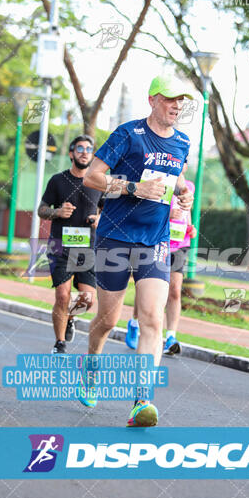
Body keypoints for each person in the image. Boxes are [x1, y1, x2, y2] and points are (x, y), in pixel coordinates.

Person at [81, 75, 194, 427]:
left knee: (152, 318)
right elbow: (92, 177)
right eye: (170, 99)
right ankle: (92, 364)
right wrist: (133, 187)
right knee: (108, 320)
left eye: (181, 101)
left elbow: (177, 180)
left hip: (156, 240)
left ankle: (141, 401)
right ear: (153, 100)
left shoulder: (183, 142)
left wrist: (182, 194)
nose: (177, 106)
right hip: (115, 237)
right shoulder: (128, 135)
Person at [38, 135, 103, 355]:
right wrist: (57, 212)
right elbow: (41, 209)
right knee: (63, 296)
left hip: (88, 249)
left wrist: (99, 218)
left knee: (87, 300)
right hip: (60, 246)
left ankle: (70, 319)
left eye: (89, 149)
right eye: (80, 148)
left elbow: (107, 211)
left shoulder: (99, 182)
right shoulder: (58, 180)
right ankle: (59, 343)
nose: (85, 152)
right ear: (71, 153)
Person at [125, 165, 196, 356]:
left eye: (185, 161)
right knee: (146, 289)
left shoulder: (188, 185)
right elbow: (147, 210)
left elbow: (186, 210)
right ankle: (134, 323)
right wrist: (168, 215)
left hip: (179, 242)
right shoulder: (158, 180)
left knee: (174, 290)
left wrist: (191, 226)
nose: (182, 165)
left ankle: (171, 336)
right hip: (156, 241)